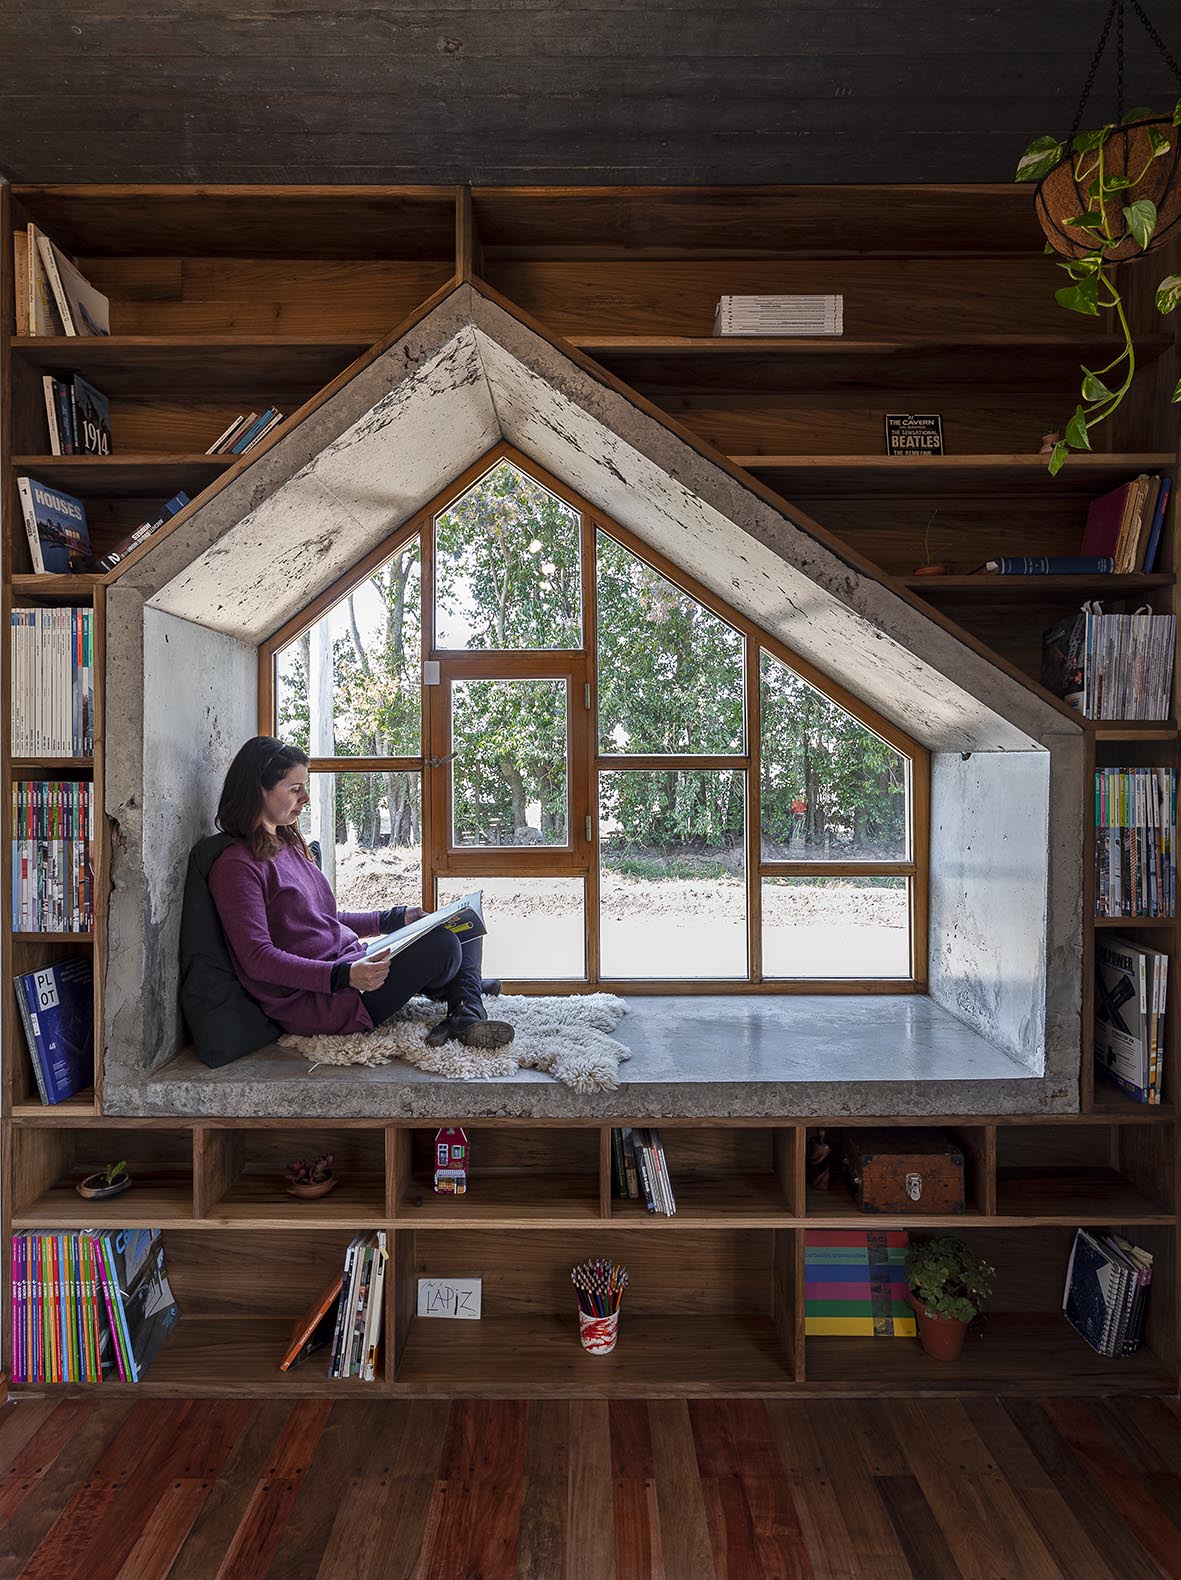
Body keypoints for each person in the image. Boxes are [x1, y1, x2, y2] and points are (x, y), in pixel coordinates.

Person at [207, 736, 513, 1049]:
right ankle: (466, 993)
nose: (306, 798)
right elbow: (258, 959)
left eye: (305, 787)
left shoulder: (288, 844)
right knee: (443, 944)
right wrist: (343, 976)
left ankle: (466, 1006)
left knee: (464, 923)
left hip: (351, 965)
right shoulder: (236, 866)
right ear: (259, 789)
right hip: (325, 997)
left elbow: (323, 920)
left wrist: (393, 919)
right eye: (295, 789)